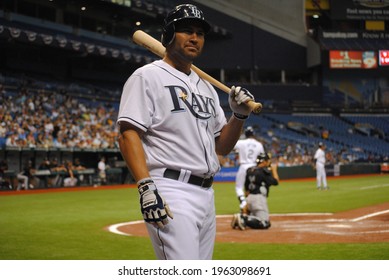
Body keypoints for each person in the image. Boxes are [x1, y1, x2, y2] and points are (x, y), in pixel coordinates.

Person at [117, 4, 257, 260]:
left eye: (200, 33)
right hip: (171, 189)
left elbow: (221, 147)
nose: (194, 38)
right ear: (169, 35)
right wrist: (146, 188)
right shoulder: (147, 76)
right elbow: (128, 134)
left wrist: (238, 116)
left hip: (206, 193)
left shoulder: (206, 87)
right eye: (186, 31)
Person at [231, 152, 279, 230]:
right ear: (264, 162)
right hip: (258, 199)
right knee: (265, 223)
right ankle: (243, 218)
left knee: (257, 219)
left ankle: (242, 218)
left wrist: (247, 204)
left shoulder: (250, 170)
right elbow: (275, 182)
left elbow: (247, 191)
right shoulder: (264, 171)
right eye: (267, 161)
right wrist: (274, 170)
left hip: (250, 198)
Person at [233, 126, 264, 212]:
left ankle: (243, 203)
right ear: (253, 134)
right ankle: (253, 206)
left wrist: (238, 152)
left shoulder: (241, 142)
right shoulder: (259, 144)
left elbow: (231, 147)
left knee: (239, 187)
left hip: (244, 166)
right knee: (252, 188)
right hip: (254, 167)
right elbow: (262, 158)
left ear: (245, 134)